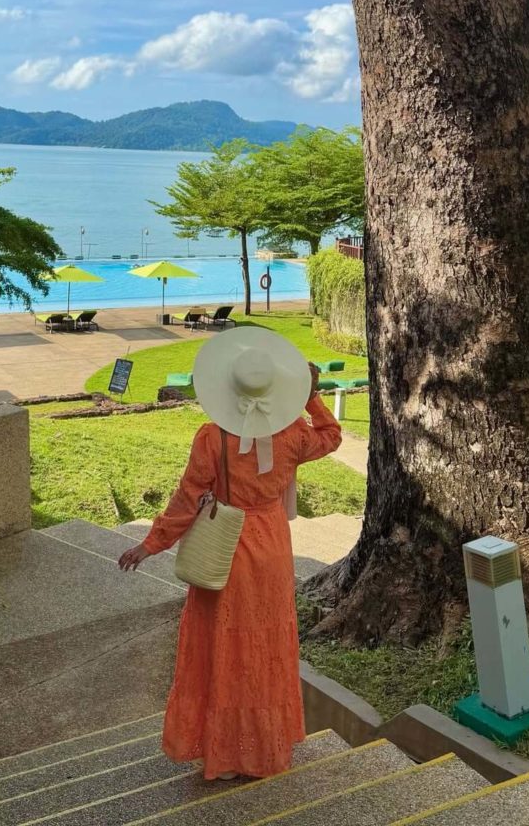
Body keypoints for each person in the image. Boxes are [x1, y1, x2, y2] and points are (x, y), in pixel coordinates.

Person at [118, 327, 342, 781]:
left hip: (225, 551)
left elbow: (186, 500)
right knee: (265, 648)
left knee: (223, 649)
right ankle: (262, 749)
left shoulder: (212, 439)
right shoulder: (294, 435)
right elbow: (332, 434)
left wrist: (150, 544)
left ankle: (223, 753)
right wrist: (311, 397)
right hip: (272, 550)